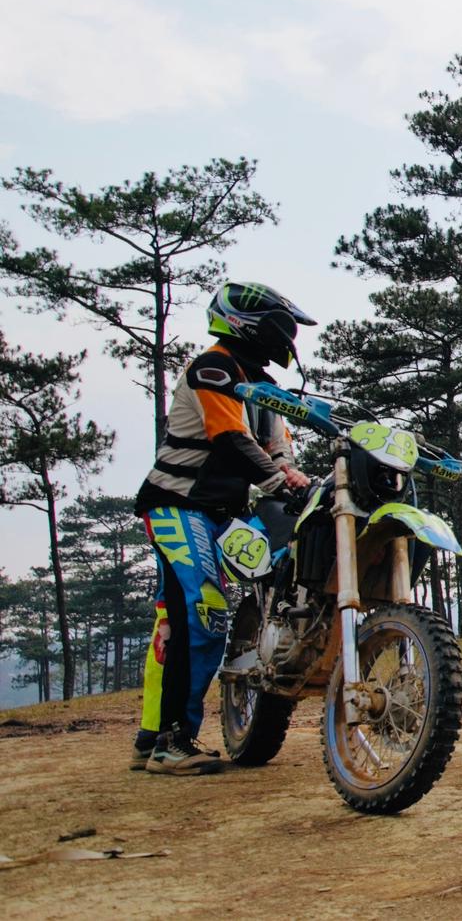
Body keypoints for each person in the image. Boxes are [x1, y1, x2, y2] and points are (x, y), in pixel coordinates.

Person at [130, 282, 316, 775]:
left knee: (281, 563)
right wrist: (279, 477)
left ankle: (158, 735)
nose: (288, 340)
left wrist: (296, 478)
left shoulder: (261, 387)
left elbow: (279, 450)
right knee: (203, 611)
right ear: (249, 325)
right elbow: (230, 438)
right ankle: (171, 742)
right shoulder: (214, 368)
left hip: (223, 512)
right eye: (283, 330)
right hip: (178, 505)